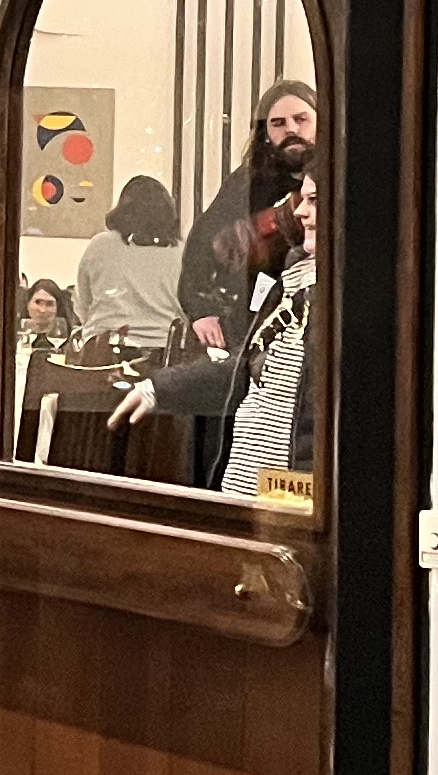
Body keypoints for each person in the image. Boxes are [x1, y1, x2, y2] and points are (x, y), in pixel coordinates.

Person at [121, 167, 321, 497]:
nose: (299, 211)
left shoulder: (341, 295)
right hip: (254, 492)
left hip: (291, 499)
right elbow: (249, 370)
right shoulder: (294, 277)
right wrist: (160, 387)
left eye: (313, 200)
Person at [181, 82, 320, 359]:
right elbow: (201, 247)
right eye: (278, 123)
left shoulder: (342, 173)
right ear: (266, 134)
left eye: (301, 119)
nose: (291, 130)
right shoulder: (247, 184)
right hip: (254, 320)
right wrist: (201, 311)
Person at [72, 176, 185, 348]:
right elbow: (187, 310)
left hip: (103, 348)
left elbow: (83, 303)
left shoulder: (100, 245)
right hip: (163, 350)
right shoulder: (181, 252)